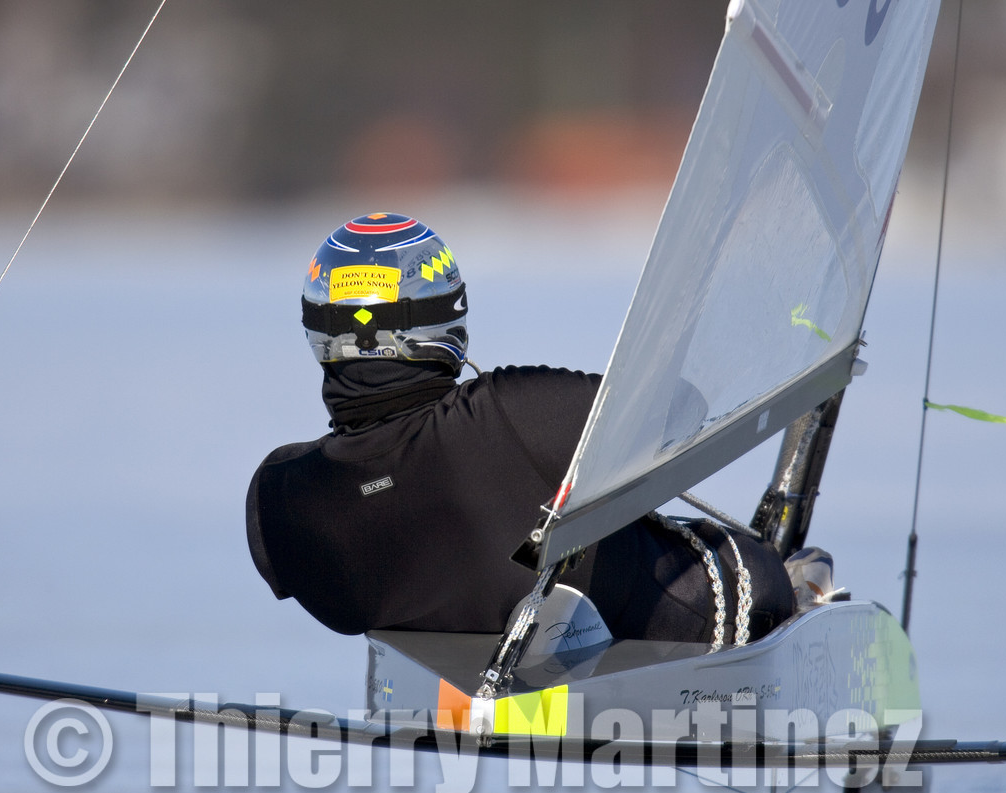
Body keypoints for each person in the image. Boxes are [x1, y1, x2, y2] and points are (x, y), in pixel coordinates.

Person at [245, 213, 795, 644]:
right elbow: (682, 412)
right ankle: (807, 583)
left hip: (455, 662)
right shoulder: (511, 413)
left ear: (318, 329)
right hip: (723, 609)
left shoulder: (277, 496)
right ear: (445, 318)